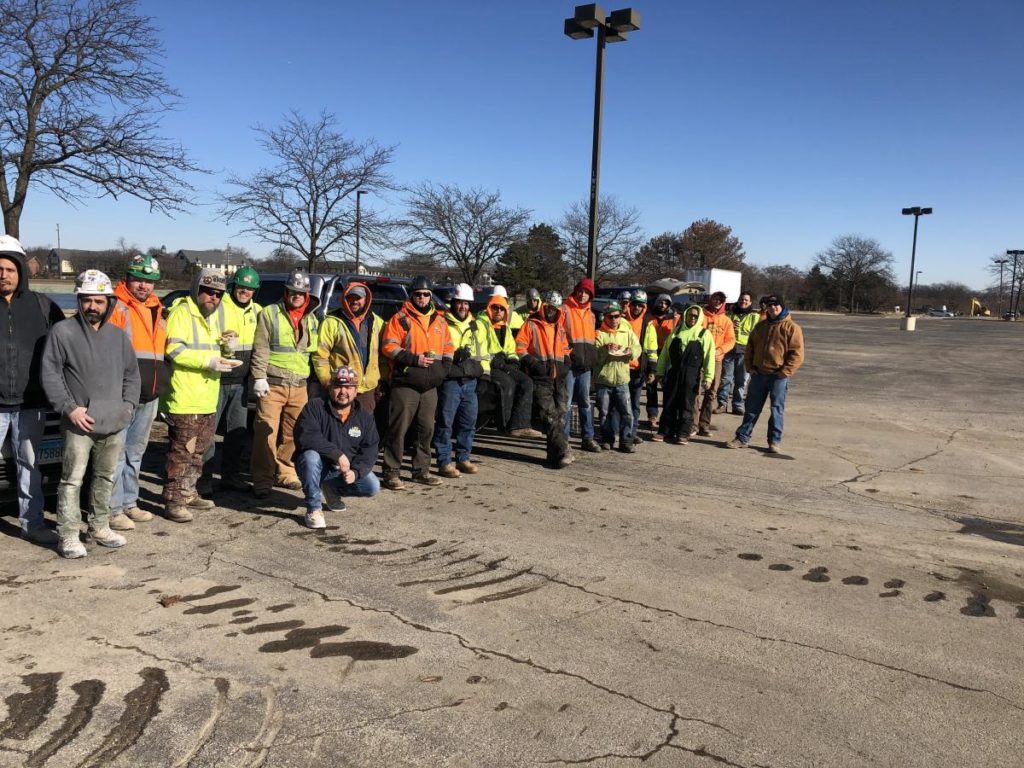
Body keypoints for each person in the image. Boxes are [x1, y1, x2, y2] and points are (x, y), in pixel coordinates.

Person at [40, 270, 139, 558]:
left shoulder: (119, 338)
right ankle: (69, 535)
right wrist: (70, 408)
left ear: (109, 302)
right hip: (78, 423)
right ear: (79, 300)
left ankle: (98, 525)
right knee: (72, 480)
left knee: (106, 476)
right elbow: (51, 373)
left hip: (114, 421)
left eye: (98, 300)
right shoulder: (63, 332)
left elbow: (132, 376)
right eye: (87, 300)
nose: (92, 306)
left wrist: (128, 406)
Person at [0, 235, 65, 544]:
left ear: (21, 272)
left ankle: (33, 523)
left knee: (30, 465)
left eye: (10, 269)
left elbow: (66, 349)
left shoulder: (43, 306)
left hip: (31, 403)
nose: (3, 275)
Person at [163, 268, 239, 522]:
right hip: (184, 396)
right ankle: (173, 500)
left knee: (199, 452)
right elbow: (173, 349)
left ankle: (189, 493)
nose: (213, 298)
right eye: (208, 292)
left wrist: (227, 350)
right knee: (182, 452)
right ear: (197, 289)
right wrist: (208, 361)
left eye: (218, 294)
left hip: (207, 396)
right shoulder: (181, 311)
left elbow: (216, 354)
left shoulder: (213, 317)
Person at [107, 254, 168, 531]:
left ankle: (130, 502)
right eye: (139, 279)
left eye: (149, 281)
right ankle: (112, 508)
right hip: (123, 393)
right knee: (116, 453)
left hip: (150, 392)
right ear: (128, 279)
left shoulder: (158, 309)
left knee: (135, 453)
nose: (144, 286)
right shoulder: (116, 307)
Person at [250, 269, 319, 499]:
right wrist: (259, 376)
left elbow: (314, 353)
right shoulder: (269, 313)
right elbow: (260, 347)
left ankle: (286, 473)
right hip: (273, 384)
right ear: (286, 291)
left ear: (307, 294)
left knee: (294, 434)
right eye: (293, 291)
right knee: (265, 434)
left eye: (301, 292)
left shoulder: (312, 318)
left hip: (299, 386)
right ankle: (262, 480)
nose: (296, 295)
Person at [380, 276, 454, 490]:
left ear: (431, 296)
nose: (421, 298)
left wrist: (444, 369)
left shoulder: (440, 320)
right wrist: (413, 359)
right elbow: (389, 346)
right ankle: (391, 473)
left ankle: (421, 471)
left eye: (425, 294)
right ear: (411, 296)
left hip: (430, 386)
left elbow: (448, 347)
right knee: (398, 430)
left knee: (426, 430)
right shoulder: (400, 319)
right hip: (406, 384)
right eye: (418, 294)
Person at [197, 265, 263, 494]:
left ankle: (230, 476)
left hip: (242, 382)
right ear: (235, 285)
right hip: (217, 378)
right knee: (208, 433)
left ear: (255, 291)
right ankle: (203, 479)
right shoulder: (219, 305)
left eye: (250, 288)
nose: (245, 291)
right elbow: (204, 332)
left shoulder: (258, 312)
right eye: (242, 286)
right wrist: (222, 344)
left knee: (237, 433)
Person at [293, 366, 380, 529]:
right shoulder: (315, 407)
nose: (343, 392)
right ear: (330, 387)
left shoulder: (365, 416)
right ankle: (314, 508)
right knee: (310, 456)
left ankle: (332, 490)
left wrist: (356, 472)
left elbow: (370, 448)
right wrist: (337, 454)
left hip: (343, 471)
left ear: (356, 391)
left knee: (372, 487)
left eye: (348, 387)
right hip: (318, 466)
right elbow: (306, 436)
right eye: (338, 386)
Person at [727, 295, 804, 452]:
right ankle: (742, 437)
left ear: (781, 306)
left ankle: (774, 441)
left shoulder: (792, 327)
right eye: (769, 305)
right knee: (751, 408)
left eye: (776, 305)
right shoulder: (761, 326)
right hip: (759, 374)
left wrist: (785, 372)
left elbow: (797, 353)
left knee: (776, 409)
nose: (773, 307)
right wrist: (750, 367)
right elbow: (750, 348)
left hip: (778, 377)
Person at [434, 283, 486, 478]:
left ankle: (463, 458)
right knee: (445, 423)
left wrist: (482, 373)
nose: (463, 307)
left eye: (466, 303)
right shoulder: (442, 323)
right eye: (460, 303)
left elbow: (482, 352)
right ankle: (444, 461)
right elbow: (436, 349)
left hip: (470, 381)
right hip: (451, 381)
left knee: (468, 423)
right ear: (453, 303)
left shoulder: (475, 325)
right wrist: (452, 356)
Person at [516, 290, 573, 468]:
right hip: (541, 377)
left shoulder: (560, 327)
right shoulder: (531, 324)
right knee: (549, 417)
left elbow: (565, 348)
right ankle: (564, 451)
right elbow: (519, 346)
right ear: (544, 305)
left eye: (555, 309)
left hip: (558, 378)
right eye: (549, 307)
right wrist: (532, 363)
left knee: (562, 414)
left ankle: (553, 456)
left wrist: (567, 362)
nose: (551, 311)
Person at [474, 293, 542, 438]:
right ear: (489, 308)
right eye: (495, 308)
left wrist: (514, 361)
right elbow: (481, 349)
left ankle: (520, 425)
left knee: (527, 382)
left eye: (501, 308)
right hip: (488, 365)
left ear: (506, 311)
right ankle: (505, 425)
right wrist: (497, 362)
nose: (498, 311)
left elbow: (511, 348)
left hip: (502, 363)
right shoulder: (482, 324)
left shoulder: (505, 327)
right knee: (507, 383)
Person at [313, 281, 383, 412]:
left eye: (358, 298)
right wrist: (328, 382)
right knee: (337, 427)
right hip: (341, 387)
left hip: (366, 390)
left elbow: (383, 355)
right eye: (351, 297)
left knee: (362, 428)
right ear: (345, 298)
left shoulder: (376, 321)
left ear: (366, 299)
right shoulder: (332, 322)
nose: (354, 301)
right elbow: (320, 356)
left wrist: (381, 382)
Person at [652, 304, 714, 445]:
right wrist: (659, 371)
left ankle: (683, 433)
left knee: (687, 404)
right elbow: (664, 354)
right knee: (669, 402)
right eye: (690, 315)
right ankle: (665, 431)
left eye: (696, 316)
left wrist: (708, 378)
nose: (693, 318)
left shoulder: (704, 334)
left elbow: (710, 358)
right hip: (674, 372)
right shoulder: (676, 331)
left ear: (699, 318)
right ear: (685, 315)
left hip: (691, 375)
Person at [594, 301, 640, 452]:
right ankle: (607, 439)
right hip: (604, 380)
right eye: (610, 317)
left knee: (627, 412)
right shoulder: (599, 334)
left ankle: (626, 441)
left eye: (617, 316)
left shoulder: (627, 333)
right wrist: (604, 349)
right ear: (604, 317)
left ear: (620, 316)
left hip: (622, 380)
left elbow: (637, 348)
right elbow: (595, 358)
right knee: (604, 413)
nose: (613, 319)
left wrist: (629, 352)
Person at [562, 278, 601, 453]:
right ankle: (564, 440)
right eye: (581, 291)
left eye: (587, 292)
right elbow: (559, 334)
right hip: (570, 365)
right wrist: (566, 354)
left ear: (590, 295)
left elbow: (591, 340)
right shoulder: (565, 310)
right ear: (576, 290)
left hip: (585, 367)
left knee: (585, 403)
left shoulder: (591, 315)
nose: (583, 294)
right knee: (567, 403)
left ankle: (588, 438)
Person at [696, 291, 735, 437]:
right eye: (715, 298)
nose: (717, 301)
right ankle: (693, 424)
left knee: (711, 392)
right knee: (695, 391)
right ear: (710, 299)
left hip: (716, 360)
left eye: (721, 299)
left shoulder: (726, 321)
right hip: (699, 358)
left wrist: (720, 350)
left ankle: (704, 425)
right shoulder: (701, 315)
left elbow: (731, 340)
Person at [622, 290, 658, 444]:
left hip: (638, 370)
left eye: (640, 305)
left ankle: (632, 432)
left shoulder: (648, 324)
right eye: (634, 304)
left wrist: (652, 370)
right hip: (621, 368)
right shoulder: (621, 320)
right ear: (630, 304)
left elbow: (651, 349)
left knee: (635, 404)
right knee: (620, 403)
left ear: (644, 307)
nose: (636, 308)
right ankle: (619, 431)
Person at [717, 291, 759, 416]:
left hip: (745, 352)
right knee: (726, 379)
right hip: (729, 350)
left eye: (746, 300)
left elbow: (758, 335)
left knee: (741, 381)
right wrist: (730, 325)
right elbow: (720, 330)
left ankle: (738, 405)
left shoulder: (754, 316)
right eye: (741, 299)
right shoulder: (728, 314)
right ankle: (722, 404)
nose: (743, 302)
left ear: (750, 302)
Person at [645, 294, 676, 430]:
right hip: (651, 354)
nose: (663, 305)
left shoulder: (674, 318)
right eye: (660, 302)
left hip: (667, 354)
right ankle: (652, 415)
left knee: (667, 387)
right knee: (651, 386)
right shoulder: (648, 317)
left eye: (666, 303)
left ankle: (667, 416)